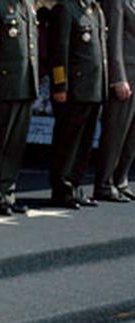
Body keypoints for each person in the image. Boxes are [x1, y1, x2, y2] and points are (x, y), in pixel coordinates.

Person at [0, 0, 38, 215]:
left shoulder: (28, 4)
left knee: (15, 144)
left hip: (25, 83)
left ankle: (7, 192)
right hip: (3, 84)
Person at [48, 0, 108, 209]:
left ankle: (75, 185)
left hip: (93, 88)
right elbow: (58, 51)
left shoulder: (94, 9)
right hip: (73, 89)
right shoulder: (65, 8)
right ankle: (62, 189)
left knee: (84, 142)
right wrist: (59, 85)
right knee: (68, 141)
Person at [91, 0, 135, 202]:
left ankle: (121, 179)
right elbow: (114, 38)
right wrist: (118, 77)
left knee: (132, 133)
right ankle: (105, 182)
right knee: (116, 129)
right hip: (126, 71)